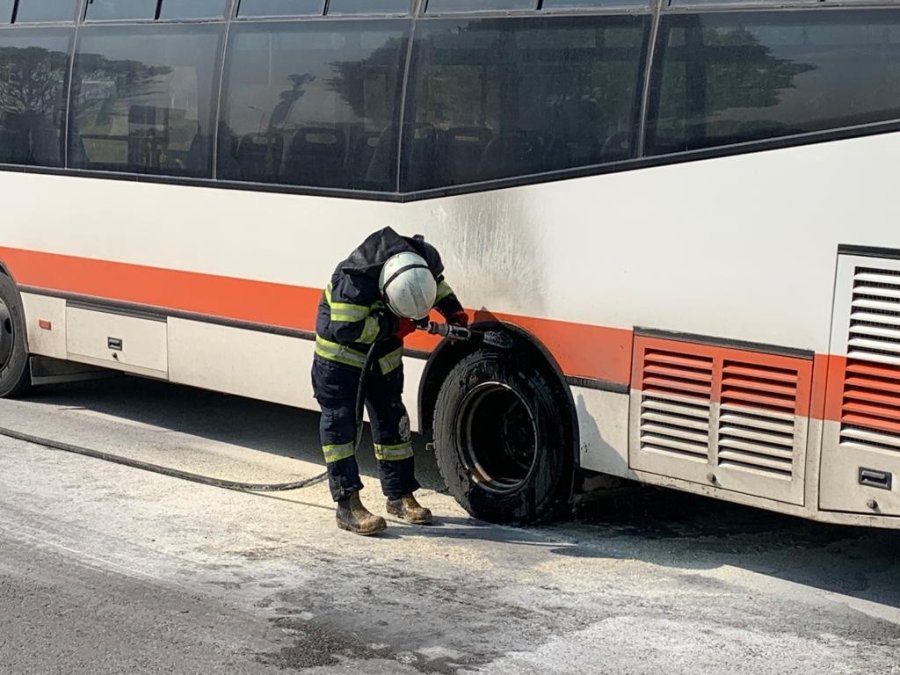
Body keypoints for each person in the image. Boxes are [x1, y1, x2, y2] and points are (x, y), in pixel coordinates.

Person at [312, 226, 468, 535]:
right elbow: (345, 329)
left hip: (383, 361)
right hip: (340, 363)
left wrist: (454, 313)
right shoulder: (354, 284)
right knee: (340, 428)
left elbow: (434, 285)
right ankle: (347, 503)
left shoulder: (419, 260)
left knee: (394, 424)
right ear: (385, 290)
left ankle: (399, 495)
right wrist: (392, 325)